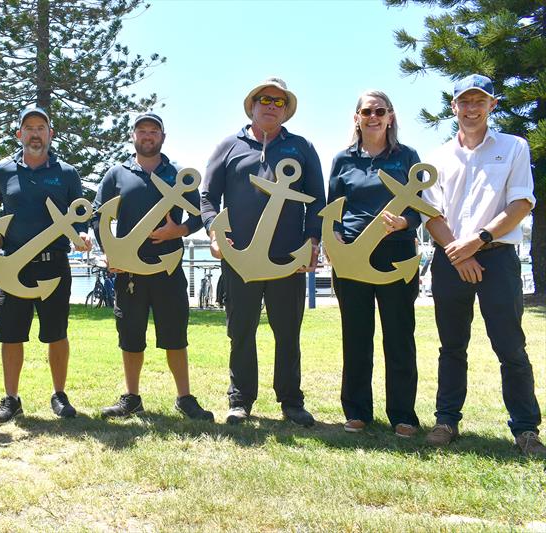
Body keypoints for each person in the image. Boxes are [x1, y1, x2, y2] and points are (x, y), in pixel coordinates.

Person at [421, 74, 544, 456]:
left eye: (480, 101)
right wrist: (460, 253)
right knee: (451, 346)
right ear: (453, 106)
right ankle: (446, 420)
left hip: (498, 260)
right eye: (464, 101)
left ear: (492, 105)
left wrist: (478, 242)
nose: (471, 108)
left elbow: (521, 203)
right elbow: (430, 213)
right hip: (450, 261)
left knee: (510, 347)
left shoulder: (514, 147)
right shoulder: (438, 155)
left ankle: (525, 430)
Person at [200, 77, 325, 426]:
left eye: (279, 101)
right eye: (265, 99)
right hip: (239, 258)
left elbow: (317, 199)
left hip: (288, 258)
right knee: (241, 330)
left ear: (285, 110)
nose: (271, 105)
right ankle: (240, 400)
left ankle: (291, 401)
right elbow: (208, 197)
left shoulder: (301, 148)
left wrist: (313, 241)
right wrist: (215, 231)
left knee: (287, 332)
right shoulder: (229, 146)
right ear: (252, 105)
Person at [92, 113, 214, 421]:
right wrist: (108, 253)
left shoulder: (178, 174)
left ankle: (185, 398)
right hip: (128, 273)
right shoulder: (116, 175)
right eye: (142, 131)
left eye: (153, 131)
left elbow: (199, 215)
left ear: (163, 137)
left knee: (175, 336)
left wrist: (180, 231)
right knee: (131, 336)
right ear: (133, 136)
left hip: (167, 271)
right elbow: (98, 216)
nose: (148, 135)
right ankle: (131, 398)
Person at [0, 106, 91, 426]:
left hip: (54, 266)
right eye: (28, 127)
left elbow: (80, 216)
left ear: (50, 134)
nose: (34, 133)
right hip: (13, 267)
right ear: (19, 134)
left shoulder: (67, 173)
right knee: (11, 335)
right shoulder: (2, 173)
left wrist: (82, 234)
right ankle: (11, 399)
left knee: (57, 334)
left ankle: (59, 395)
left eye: (41, 127)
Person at [327, 91, 421, 438]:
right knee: (356, 337)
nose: (373, 116)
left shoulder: (407, 157)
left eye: (380, 111)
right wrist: (333, 241)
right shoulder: (342, 160)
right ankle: (356, 411)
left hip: (395, 254)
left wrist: (405, 224)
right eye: (367, 111)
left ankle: (403, 415)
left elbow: (420, 209)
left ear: (391, 117)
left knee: (399, 337)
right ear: (357, 117)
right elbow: (333, 206)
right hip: (351, 258)